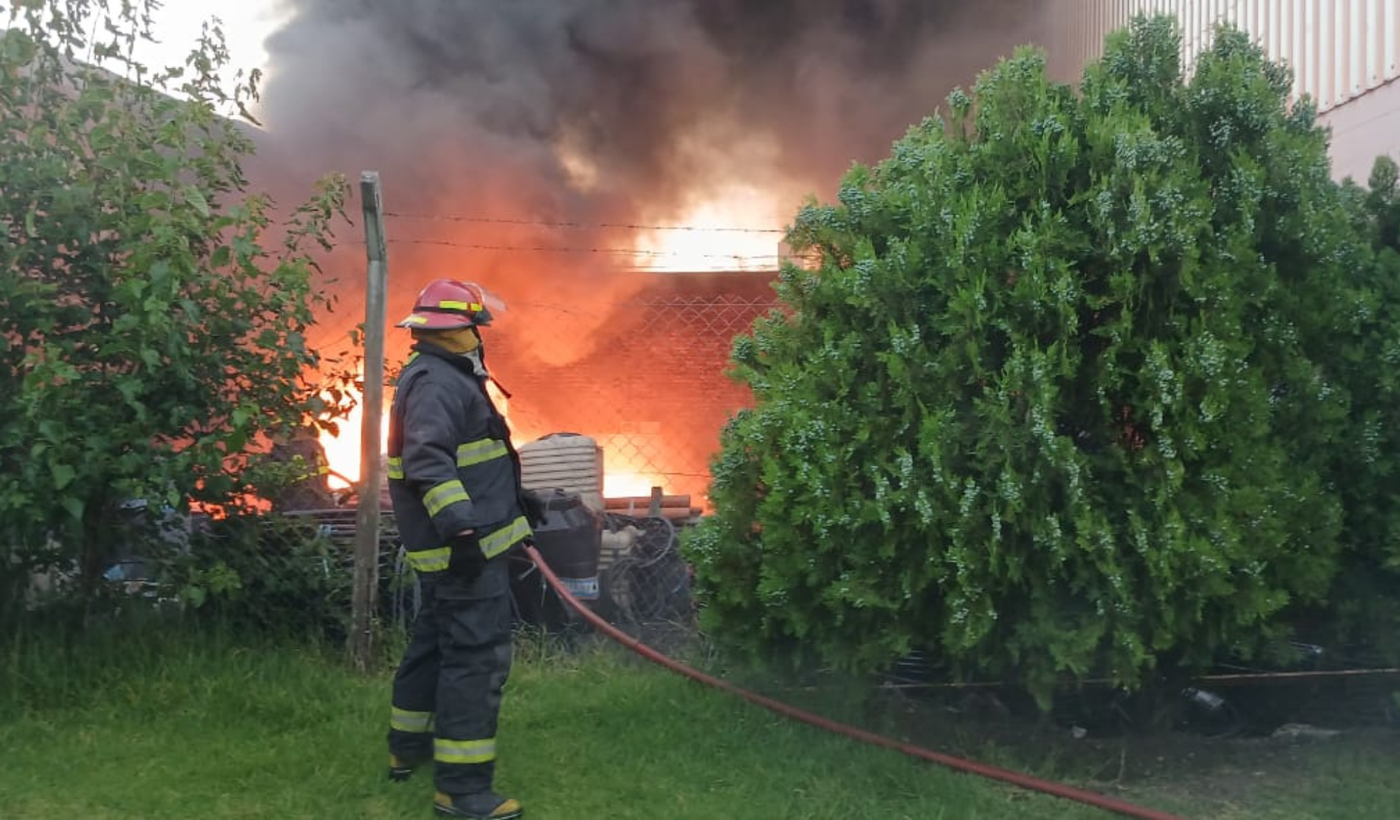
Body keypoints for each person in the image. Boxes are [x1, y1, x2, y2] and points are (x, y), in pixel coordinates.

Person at [384, 278, 544, 819]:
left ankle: (406, 748)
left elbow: (475, 459)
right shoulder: (437, 384)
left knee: (433, 643)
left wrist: (518, 502)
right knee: (474, 660)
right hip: (461, 553)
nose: (480, 337)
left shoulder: (441, 376)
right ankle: (463, 790)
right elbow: (430, 463)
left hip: (456, 547)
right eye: (476, 328)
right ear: (462, 329)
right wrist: (462, 532)